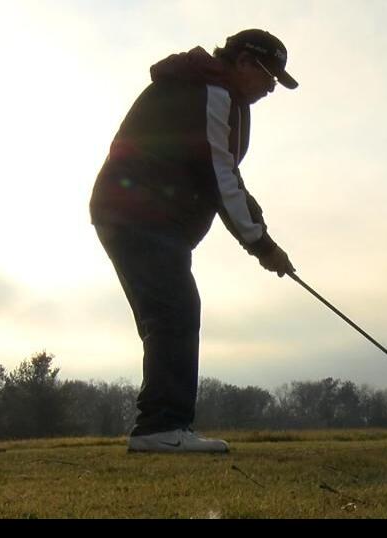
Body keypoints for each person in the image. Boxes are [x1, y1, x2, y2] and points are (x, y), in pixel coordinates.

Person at [89, 29, 297, 453]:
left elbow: (222, 175)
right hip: (140, 214)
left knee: (167, 314)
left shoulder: (213, 92)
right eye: (268, 75)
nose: (271, 87)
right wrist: (263, 246)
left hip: (132, 214)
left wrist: (258, 233)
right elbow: (221, 179)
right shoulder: (211, 91)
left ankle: (160, 426)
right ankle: (161, 427)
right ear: (242, 62)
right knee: (176, 310)